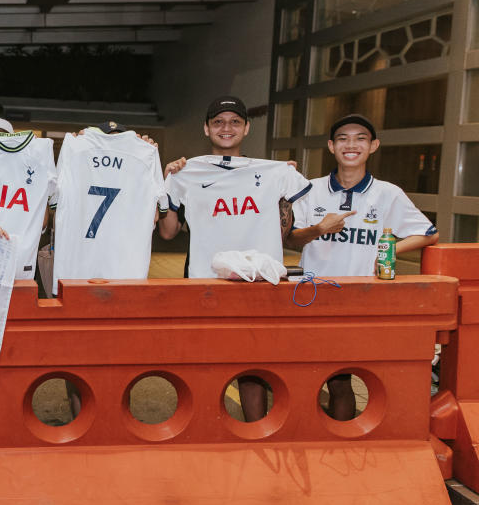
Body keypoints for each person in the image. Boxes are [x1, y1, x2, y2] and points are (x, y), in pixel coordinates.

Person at [159, 96, 312, 422]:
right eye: (218, 122)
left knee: (253, 367)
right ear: (206, 128)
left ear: (246, 128)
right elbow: (168, 232)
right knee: (203, 365)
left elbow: (287, 229)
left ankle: (256, 435)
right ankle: (201, 436)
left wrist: (284, 193)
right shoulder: (188, 172)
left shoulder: (274, 172)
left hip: (257, 285)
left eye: (234, 122)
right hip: (204, 283)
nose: (226, 128)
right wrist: (166, 179)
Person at [287, 113, 438, 420]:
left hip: (362, 301)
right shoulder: (310, 189)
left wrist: (385, 249)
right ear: (331, 146)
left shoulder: (387, 193)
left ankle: (341, 445)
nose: (351, 145)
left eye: (360, 139)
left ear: (373, 146)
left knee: (342, 380)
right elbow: (291, 239)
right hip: (313, 299)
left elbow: (427, 233)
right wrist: (319, 229)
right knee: (306, 379)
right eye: (343, 138)